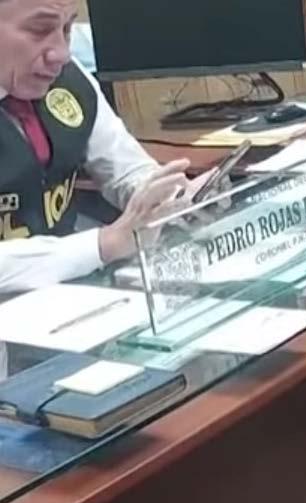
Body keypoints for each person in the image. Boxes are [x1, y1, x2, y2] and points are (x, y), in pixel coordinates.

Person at [0, 0, 211, 293]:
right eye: (40, 30)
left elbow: (125, 169)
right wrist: (105, 243)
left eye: (66, 28)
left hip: (68, 293)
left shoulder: (70, 80)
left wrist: (170, 197)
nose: (62, 54)